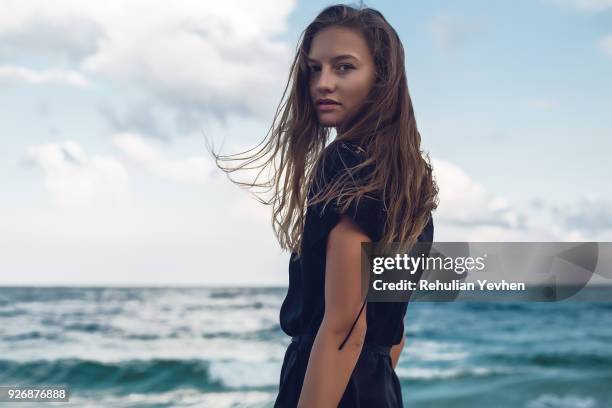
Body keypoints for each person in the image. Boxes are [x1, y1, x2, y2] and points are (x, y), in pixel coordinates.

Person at [208, 4, 438, 407]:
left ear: (382, 78)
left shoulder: (346, 162)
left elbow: (343, 328)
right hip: (377, 388)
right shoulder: (408, 177)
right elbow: (393, 334)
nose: (322, 83)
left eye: (344, 67)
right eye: (314, 68)